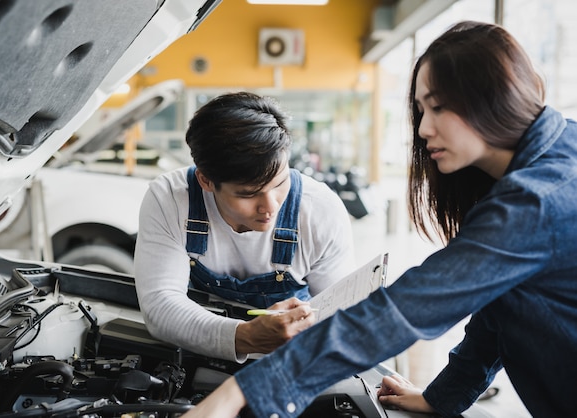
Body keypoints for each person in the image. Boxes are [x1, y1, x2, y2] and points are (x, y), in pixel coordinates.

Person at [181, 20, 577, 418]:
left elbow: (407, 308)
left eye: (438, 107)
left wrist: (239, 393)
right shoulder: (559, 156)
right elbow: (501, 302)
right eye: (421, 110)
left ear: (494, 97)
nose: (423, 129)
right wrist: (445, 397)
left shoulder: (537, 201)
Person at [134, 91, 356, 363]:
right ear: (206, 181)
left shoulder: (320, 211)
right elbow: (160, 305)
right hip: (198, 356)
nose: (270, 206)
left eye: (279, 184)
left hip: (291, 363)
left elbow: (343, 318)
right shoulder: (170, 198)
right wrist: (246, 337)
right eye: (249, 194)